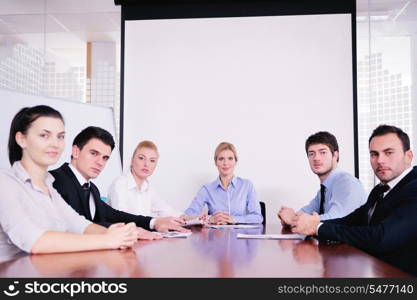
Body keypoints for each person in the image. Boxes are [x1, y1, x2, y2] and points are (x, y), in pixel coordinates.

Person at [0, 105, 139, 255]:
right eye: (44, 135)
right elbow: (35, 242)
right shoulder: (5, 182)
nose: (55, 144)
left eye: (60, 136)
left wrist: (117, 234)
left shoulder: (49, 185)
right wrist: (108, 240)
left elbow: (81, 225)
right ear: (21, 139)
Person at [292, 125, 417, 276]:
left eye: (389, 152)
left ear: (408, 156)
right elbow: (352, 220)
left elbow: (380, 237)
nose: (380, 160)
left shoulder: (413, 188)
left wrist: (317, 227)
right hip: (375, 272)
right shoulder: (380, 190)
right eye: (374, 154)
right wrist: (313, 225)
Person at [50, 127, 188, 233]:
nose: (100, 162)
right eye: (94, 153)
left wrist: (153, 222)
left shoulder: (92, 189)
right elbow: (76, 227)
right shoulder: (54, 180)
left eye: (105, 158)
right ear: (76, 152)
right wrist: (126, 231)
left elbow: (114, 215)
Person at [278, 131, 366, 227]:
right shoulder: (324, 190)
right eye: (311, 154)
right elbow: (305, 213)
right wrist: (290, 219)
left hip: (351, 242)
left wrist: (293, 220)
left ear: (335, 155)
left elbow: (336, 219)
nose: (316, 158)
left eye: (323, 152)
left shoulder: (347, 183)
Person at [184, 142, 263, 224]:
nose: (226, 163)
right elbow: (187, 216)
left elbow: (257, 217)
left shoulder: (246, 185)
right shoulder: (207, 189)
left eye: (230, 158)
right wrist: (210, 219)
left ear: (235, 161)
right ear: (215, 162)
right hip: (215, 235)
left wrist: (234, 219)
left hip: (239, 235)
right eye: (221, 159)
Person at [108, 141, 183, 218]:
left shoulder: (148, 187)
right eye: (141, 158)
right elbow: (121, 218)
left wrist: (185, 217)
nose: (146, 164)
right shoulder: (120, 184)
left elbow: (165, 210)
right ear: (132, 160)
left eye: (152, 160)